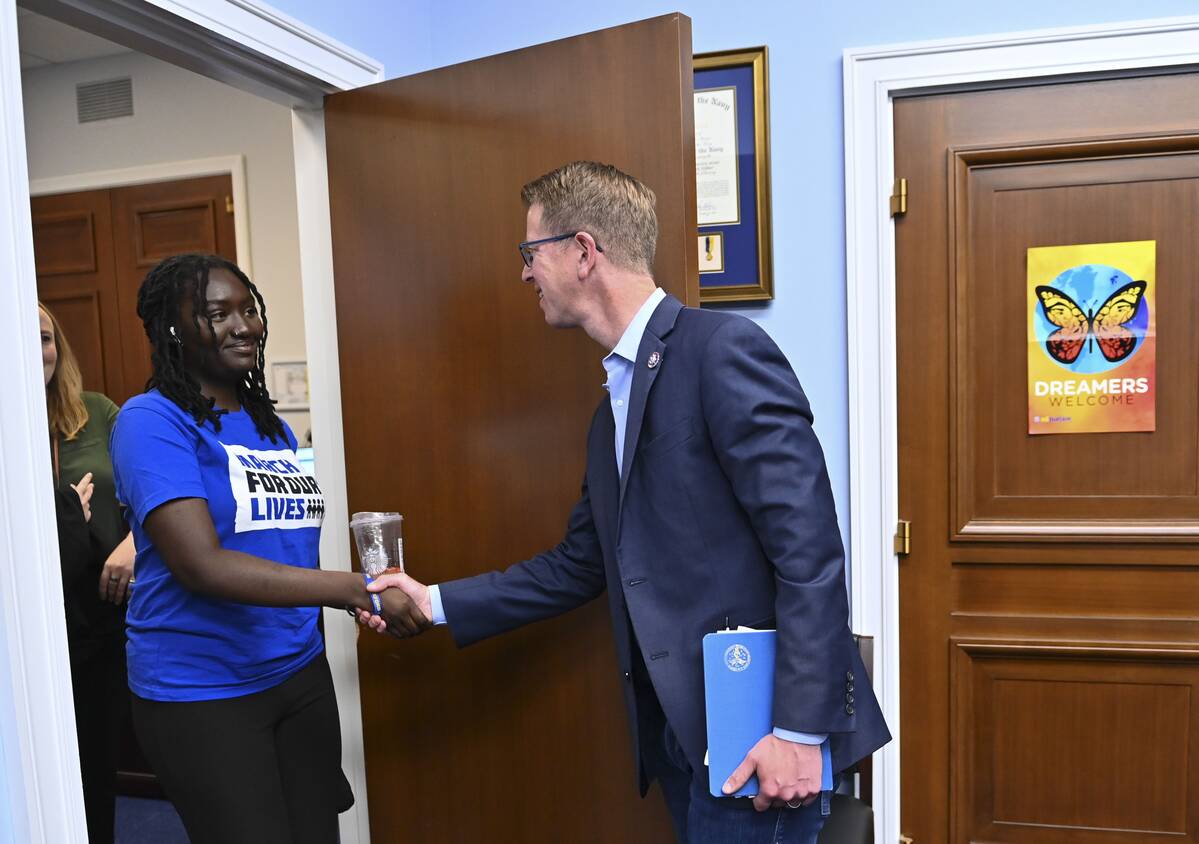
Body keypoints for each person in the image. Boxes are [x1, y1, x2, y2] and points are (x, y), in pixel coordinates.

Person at [363, 161, 891, 843]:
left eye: (531, 253)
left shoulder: (721, 351)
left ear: (582, 252)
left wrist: (795, 730)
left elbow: (809, 551)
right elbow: (580, 564)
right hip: (682, 735)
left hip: (761, 737)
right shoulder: (610, 407)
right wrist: (430, 600)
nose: (525, 274)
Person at [109, 253, 427, 844]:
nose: (243, 324)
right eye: (217, 313)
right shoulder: (150, 420)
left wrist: (352, 597)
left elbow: (280, 549)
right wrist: (353, 588)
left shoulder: (269, 426)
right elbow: (201, 564)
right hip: (201, 690)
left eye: (249, 309)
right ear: (173, 328)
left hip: (298, 673)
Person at [40, 302, 134, 844]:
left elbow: (155, 491)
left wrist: (134, 544)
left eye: (47, 337)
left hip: (99, 617)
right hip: (31, 622)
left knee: (94, 763)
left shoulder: (98, 412)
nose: (38, 351)